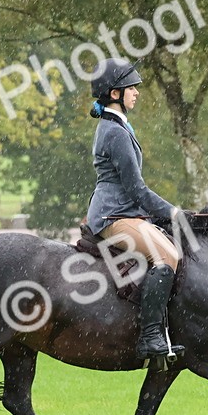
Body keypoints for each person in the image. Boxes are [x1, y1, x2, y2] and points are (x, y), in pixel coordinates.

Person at [85, 58, 189, 363]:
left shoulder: (117, 126)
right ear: (115, 93)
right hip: (113, 216)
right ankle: (150, 337)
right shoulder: (115, 133)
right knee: (168, 255)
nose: (136, 92)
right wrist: (172, 213)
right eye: (131, 87)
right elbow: (136, 189)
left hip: (122, 211)